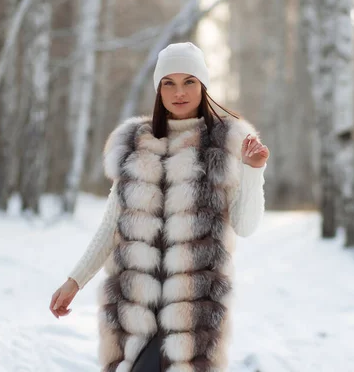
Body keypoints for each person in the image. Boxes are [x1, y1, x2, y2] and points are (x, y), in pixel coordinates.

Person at [49, 42, 269, 372]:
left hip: (193, 311)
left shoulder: (227, 142)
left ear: (203, 84)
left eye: (189, 81)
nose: (179, 92)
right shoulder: (135, 143)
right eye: (169, 83)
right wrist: (74, 281)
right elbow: (112, 225)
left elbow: (245, 225)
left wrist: (253, 170)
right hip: (134, 306)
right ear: (158, 88)